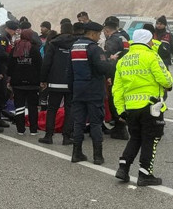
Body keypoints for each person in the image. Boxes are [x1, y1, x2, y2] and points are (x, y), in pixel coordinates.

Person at [112, 29, 173, 186]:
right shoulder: (151, 56)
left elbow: (117, 89)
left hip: (131, 108)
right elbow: (165, 79)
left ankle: (123, 168)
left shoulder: (123, 60)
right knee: (150, 139)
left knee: (135, 138)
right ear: (147, 41)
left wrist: (120, 110)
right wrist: (169, 83)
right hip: (151, 107)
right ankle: (145, 174)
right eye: (151, 40)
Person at [68, 21, 115, 164]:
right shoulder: (94, 49)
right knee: (95, 123)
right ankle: (98, 156)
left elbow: (69, 71)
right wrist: (111, 62)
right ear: (93, 33)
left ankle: (76, 153)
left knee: (79, 122)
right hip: (93, 90)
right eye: (99, 34)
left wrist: (72, 89)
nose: (99, 36)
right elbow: (102, 68)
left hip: (78, 89)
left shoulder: (74, 47)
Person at [38, 21, 75, 145]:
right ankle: (67, 137)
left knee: (52, 109)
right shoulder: (76, 44)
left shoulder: (54, 43)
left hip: (55, 82)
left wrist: (43, 79)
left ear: (61, 29)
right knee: (69, 109)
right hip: (71, 83)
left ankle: (49, 136)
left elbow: (46, 63)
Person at [9, 27, 42, 135]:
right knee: (33, 106)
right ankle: (33, 130)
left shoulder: (15, 49)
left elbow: (10, 66)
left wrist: (9, 79)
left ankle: (20, 129)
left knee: (19, 106)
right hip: (33, 83)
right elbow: (39, 66)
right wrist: (41, 80)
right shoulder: (34, 49)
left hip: (17, 83)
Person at [102, 16, 130, 140]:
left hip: (116, 73)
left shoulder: (112, 41)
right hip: (126, 71)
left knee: (114, 100)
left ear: (107, 30)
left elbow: (110, 59)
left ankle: (120, 127)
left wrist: (108, 75)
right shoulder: (124, 37)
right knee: (122, 100)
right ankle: (121, 126)